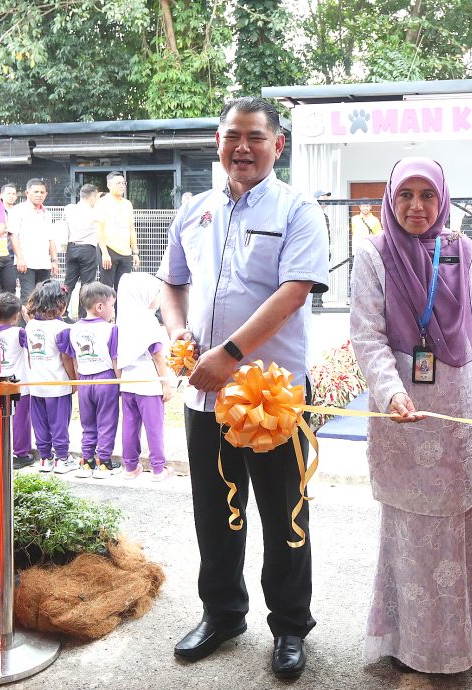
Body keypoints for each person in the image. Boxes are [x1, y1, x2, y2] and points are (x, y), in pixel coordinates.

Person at [158, 96, 329, 677]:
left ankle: (289, 626)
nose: (243, 147)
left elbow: (293, 292)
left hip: (270, 397)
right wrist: (179, 333)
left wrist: (229, 355)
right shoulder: (194, 210)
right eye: (233, 136)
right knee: (214, 510)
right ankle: (223, 613)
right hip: (204, 394)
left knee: (285, 515)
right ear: (218, 142)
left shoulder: (298, 210)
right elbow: (172, 284)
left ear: (277, 146)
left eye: (256, 137)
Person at [349, 157, 472, 674]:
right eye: (405, 195)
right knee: (411, 526)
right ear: (389, 200)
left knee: (459, 522)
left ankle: (456, 637)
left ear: (443, 198)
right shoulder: (372, 253)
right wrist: (390, 394)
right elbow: (366, 335)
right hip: (402, 413)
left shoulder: (457, 247)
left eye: (427, 195)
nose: (417, 206)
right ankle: (409, 641)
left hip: (457, 405)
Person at [116, 272, 173, 481]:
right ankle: (158, 469)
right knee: (154, 427)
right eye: (156, 293)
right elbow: (158, 356)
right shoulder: (148, 321)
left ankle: (130, 467)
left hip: (128, 384)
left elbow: (117, 355)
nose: (158, 298)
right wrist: (166, 385)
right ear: (145, 295)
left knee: (129, 427)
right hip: (149, 384)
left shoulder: (123, 320)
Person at [63, 282, 120, 478]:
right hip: (106, 379)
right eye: (112, 305)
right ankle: (103, 462)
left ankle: (87, 462)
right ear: (100, 307)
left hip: (84, 381)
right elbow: (115, 359)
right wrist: (119, 383)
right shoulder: (111, 329)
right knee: (107, 421)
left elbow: (74, 359)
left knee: (87, 423)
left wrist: (79, 381)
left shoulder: (73, 329)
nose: (113, 310)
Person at [24, 280, 74, 474]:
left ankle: (45, 458)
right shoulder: (61, 329)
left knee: (40, 423)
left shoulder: (30, 326)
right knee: (59, 422)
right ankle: (62, 458)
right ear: (60, 304)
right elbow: (67, 358)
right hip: (58, 385)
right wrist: (73, 381)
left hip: (36, 384)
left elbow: (29, 356)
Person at [9, 179, 58, 309]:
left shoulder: (47, 213)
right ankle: (25, 328)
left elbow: (51, 238)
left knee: (44, 297)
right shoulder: (18, 210)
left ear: (46, 194)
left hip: (44, 262)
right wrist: (19, 258)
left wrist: (54, 260)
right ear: (27, 192)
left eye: (42, 192)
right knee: (28, 297)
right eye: (35, 191)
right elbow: (13, 235)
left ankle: (40, 326)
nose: (39, 195)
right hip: (26, 262)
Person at [0, 292, 34, 469]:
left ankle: (0, 449)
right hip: (19, 384)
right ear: (16, 315)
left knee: (0, 418)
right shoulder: (19, 332)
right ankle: (20, 453)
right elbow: (33, 342)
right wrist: (29, 320)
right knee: (21, 419)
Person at [63, 184, 101, 320]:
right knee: (87, 284)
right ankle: (83, 316)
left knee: (68, 283)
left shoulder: (69, 209)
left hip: (71, 248)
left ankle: (60, 312)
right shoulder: (94, 212)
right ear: (92, 196)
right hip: (87, 249)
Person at [96, 171, 138, 294]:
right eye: (118, 183)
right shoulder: (102, 202)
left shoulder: (127, 204)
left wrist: (135, 252)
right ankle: (107, 314)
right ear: (109, 185)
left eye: (123, 183)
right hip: (109, 249)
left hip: (126, 252)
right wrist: (104, 253)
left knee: (123, 288)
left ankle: (121, 313)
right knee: (107, 287)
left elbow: (131, 229)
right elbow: (98, 229)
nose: (121, 185)